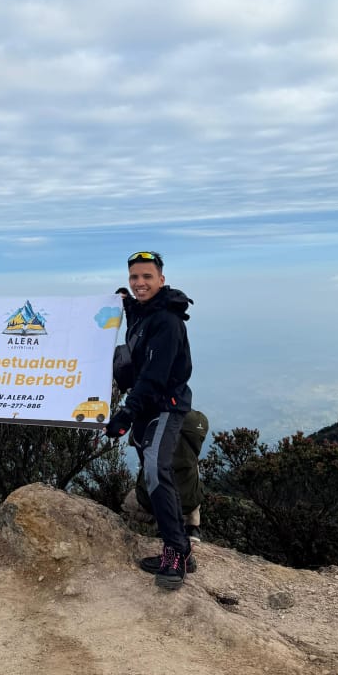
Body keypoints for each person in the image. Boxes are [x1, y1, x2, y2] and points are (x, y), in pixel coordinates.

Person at [105, 250, 195, 590]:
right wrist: (126, 303)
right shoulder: (144, 313)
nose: (140, 283)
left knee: (157, 473)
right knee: (157, 474)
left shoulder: (167, 321)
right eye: (134, 278)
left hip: (164, 408)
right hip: (148, 409)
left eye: (146, 277)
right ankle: (181, 548)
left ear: (161, 278)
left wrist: (126, 414)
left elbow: (154, 376)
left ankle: (176, 552)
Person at [136, 409, 209, 568]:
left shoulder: (161, 424)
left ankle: (173, 556)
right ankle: (192, 529)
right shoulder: (199, 424)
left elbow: (137, 440)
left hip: (162, 498)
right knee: (191, 475)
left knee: (131, 503)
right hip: (191, 499)